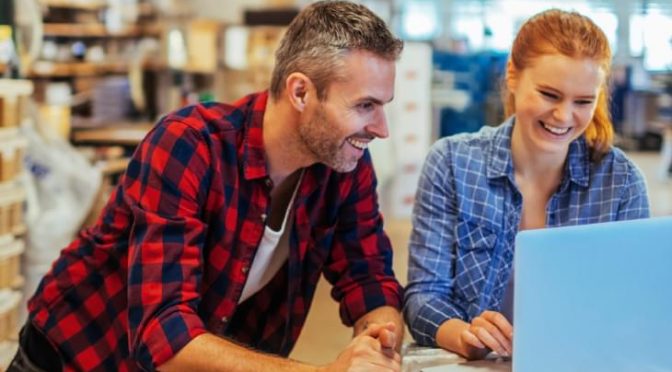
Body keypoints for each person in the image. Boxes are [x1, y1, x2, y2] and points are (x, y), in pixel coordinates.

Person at [10, 1, 406, 371]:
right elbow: (163, 336)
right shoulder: (189, 147)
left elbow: (368, 277)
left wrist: (379, 338)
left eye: (383, 105)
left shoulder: (344, 163)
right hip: (77, 358)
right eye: (364, 106)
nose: (381, 130)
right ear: (300, 92)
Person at [404, 9, 650, 360]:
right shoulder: (452, 164)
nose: (564, 117)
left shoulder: (621, 183)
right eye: (550, 94)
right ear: (513, 75)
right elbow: (423, 296)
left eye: (583, 101)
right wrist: (466, 337)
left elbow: (633, 306)